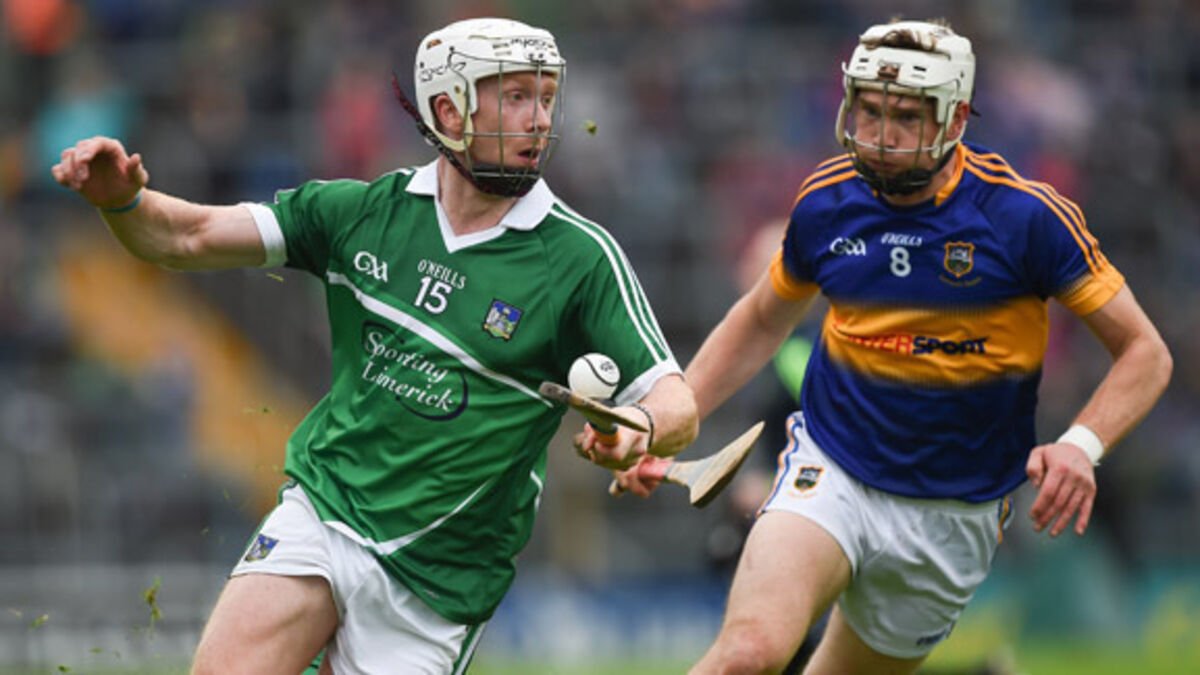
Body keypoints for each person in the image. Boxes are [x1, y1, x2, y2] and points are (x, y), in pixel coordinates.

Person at [52, 17, 697, 674]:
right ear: (450, 109)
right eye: (516, 96)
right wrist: (124, 203)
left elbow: (678, 403)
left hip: (436, 587)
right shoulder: (363, 213)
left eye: (547, 97)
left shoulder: (581, 259)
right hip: (327, 511)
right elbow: (185, 236)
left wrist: (640, 427)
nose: (539, 119)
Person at [617, 18, 1171, 675]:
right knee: (748, 653)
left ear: (956, 118)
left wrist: (1082, 444)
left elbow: (1145, 351)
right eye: (870, 111)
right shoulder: (828, 202)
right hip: (832, 469)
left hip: (953, 516)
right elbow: (762, 319)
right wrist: (671, 416)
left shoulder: (1025, 218)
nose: (881, 135)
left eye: (906, 117)